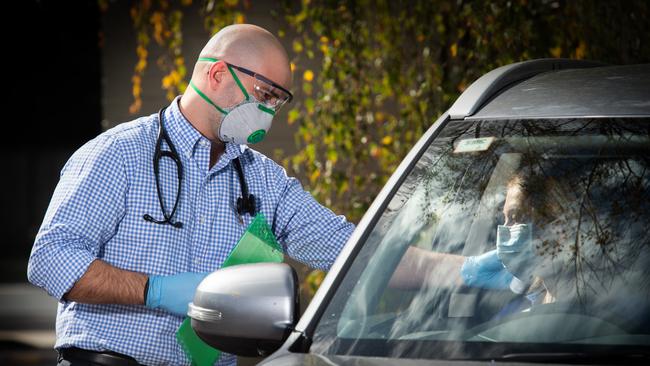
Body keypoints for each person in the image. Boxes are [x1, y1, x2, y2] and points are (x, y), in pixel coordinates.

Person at [27, 24, 355, 366]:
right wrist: (154, 291)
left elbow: (345, 246)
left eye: (278, 101)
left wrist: (405, 258)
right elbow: (50, 259)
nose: (269, 111)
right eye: (264, 94)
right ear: (217, 74)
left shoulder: (265, 181)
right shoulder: (119, 154)